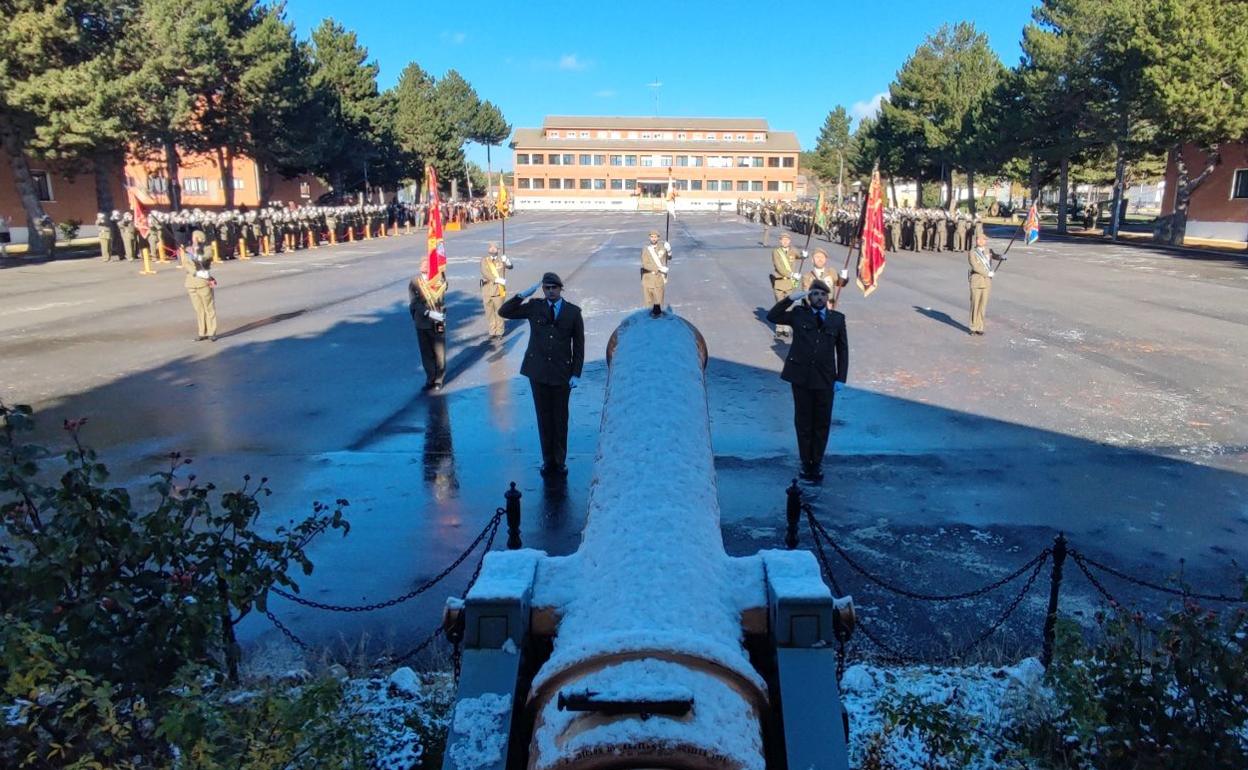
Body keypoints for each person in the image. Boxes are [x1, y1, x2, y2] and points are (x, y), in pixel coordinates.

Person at [498, 271, 585, 478]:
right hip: (538, 372)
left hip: (562, 373)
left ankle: (560, 460)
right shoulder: (535, 307)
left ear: (560, 289)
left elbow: (579, 346)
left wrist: (576, 373)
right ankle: (548, 460)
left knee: (560, 418)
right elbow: (504, 311)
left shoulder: (573, 312)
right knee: (544, 418)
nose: (550, 291)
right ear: (543, 289)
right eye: (546, 288)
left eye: (554, 287)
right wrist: (523, 294)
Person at [766, 279, 848, 482]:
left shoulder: (837, 319)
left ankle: (817, 462)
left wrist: (841, 378)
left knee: (822, 423)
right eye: (815, 294)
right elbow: (772, 316)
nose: (819, 298)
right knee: (803, 422)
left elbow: (842, 350)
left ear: (827, 298)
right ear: (809, 297)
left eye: (822, 294)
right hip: (801, 377)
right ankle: (805, 461)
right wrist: (789, 299)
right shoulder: (798, 314)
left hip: (825, 378)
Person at [408, 260, 448, 390]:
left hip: (438, 322)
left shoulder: (438, 280)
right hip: (422, 321)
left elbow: (445, 286)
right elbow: (414, 302)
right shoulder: (414, 282)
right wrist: (427, 312)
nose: (424, 267)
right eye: (423, 264)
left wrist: (441, 271)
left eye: (427, 265)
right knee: (426, 352)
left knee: (439, 351)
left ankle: (439, 379)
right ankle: (430, 377)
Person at [181, 231, 217, 341]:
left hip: (203, 282)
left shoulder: (207, 248)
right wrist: (195, 272)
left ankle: (212, 332)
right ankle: (202, 332)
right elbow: (185, 263)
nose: (194, 240)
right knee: (199, 309)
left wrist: (197, 254)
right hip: (191, 282)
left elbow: (207, 257)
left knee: (208, 308)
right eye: (193, 238)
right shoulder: (188, 249)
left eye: (196, 238)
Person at [769, 232, 804, 340]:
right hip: (780, 282)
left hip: (790, 283)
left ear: (790, 241)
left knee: (789, 306)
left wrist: (804, 254)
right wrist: (791, 274)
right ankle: (779, 329)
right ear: (780, 241)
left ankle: (787, 328)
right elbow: (779, 267)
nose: (785, 241)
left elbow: (799, 256)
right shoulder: (776, 252)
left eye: (787, 239)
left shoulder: (793, 250)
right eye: (783, 239)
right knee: (779, 306)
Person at [479, 242, 512, 339]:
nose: (492, 249)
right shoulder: (484, 260)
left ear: (498, 250)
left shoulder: (501, 260)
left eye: (494, 247)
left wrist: (507, 261)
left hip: (498, 290)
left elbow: (510, 267)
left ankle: (499, 332)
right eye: (490, 247)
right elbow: (485, 273)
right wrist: (496, 279)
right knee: (489, 312)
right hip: (486, 290)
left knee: (499, 312)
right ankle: (492, 331)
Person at [968, 232, 996, 336]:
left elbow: (995, 256)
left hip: (987, 282)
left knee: (983, 305)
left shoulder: (988, 250)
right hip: (976, 281)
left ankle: (980, 327)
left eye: (983, 239)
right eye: (979, 239)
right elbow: (975, 267)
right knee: (975, 304)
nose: (981, 241)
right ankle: (972, 326)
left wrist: (1002, 257)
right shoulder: (972, 252)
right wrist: (987, 273)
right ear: (976, 241)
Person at [640, 230, 671, 308]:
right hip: (648, 280)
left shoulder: (663, 247)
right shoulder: (646, 249)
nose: (653, 239)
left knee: (659, 305)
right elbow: (645, 264)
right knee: (648, 305)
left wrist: (669, 250)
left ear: (658, 238)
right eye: (652, 237)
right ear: (649, 238)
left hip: (659, 280)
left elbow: (669, 257)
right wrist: (659, 269)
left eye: (655, 237)